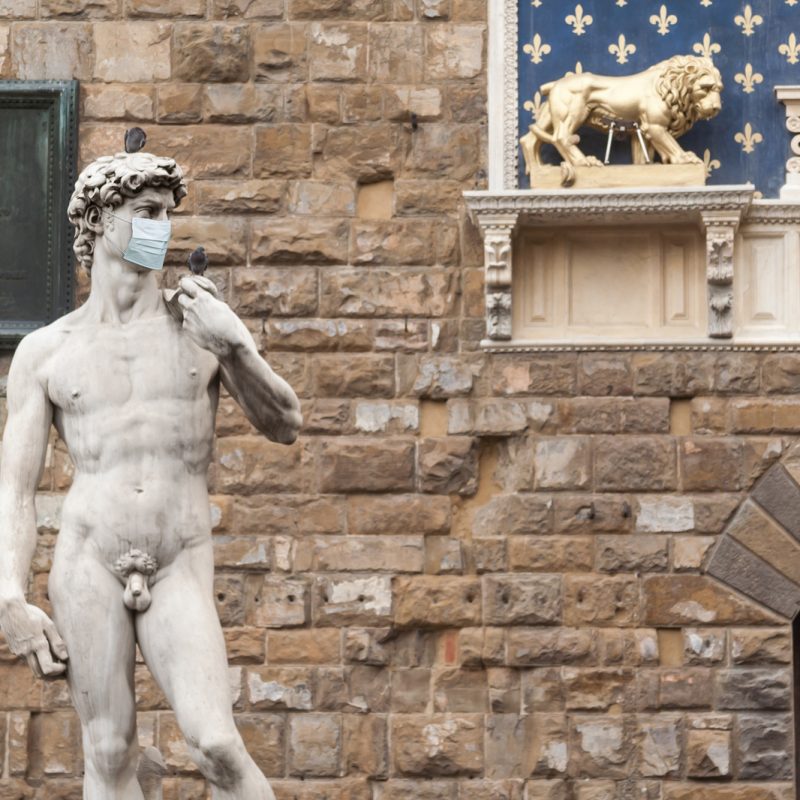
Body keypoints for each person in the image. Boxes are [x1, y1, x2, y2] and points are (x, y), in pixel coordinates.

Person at [0, 150, 301, 799]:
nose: (164, 226)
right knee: (108, 751)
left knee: (216, 743)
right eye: (148, 212)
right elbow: (13, 489)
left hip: (178, 560)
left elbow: (285, 422)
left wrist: (235, 342)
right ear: (104, 219)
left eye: (168, 213)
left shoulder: (199, 329)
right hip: (88, 560)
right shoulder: (47, 350)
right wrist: (8, 594)